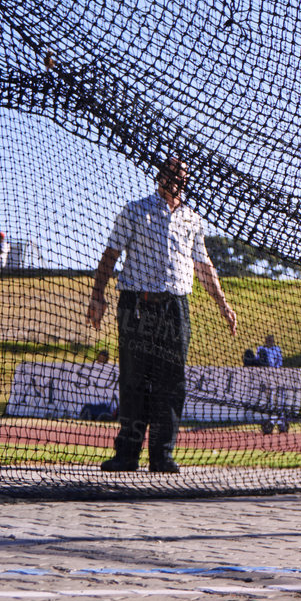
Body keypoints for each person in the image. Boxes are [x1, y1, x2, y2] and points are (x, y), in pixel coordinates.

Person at [87, 156, 237, 473]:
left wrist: (222, 303)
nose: (176, 179)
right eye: (170, 173)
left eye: (181, 175)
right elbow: (110, 255)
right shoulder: (135, 211)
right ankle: (127, 454)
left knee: (172, 382)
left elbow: (204, 265)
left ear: (187, 181)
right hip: (137, 303)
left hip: (175, 306)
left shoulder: (192, 219)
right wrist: (97, 295)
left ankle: (162, 454)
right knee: (133, 379)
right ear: (159, 176)